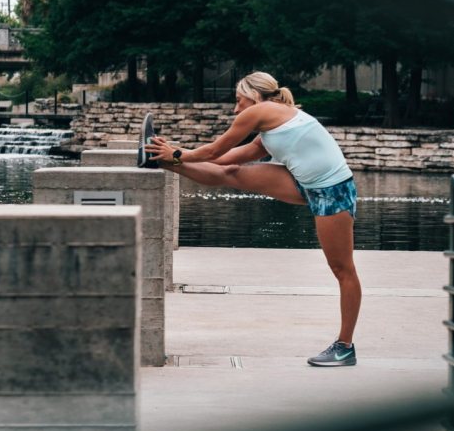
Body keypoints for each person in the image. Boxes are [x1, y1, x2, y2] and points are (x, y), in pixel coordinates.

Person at [144, 71, 362, 367]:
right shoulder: (271, 126)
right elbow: (226, 159)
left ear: (254, 96)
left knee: (342, 269)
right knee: (231, 173)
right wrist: (171, 156)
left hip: (331, 191)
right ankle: (158, 162)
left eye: (238, 100)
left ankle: (345, 346)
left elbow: (214, 149)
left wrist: (179, 151)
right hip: (305, 183)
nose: (236, 109)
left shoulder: (261, 111)